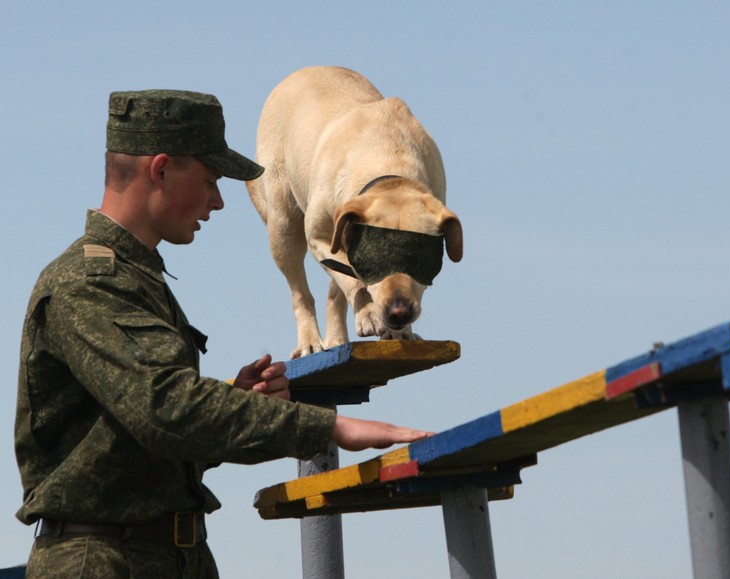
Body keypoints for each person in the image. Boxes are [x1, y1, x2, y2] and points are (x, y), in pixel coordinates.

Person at [15, 89, 432, 578]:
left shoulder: (135, 278)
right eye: (211, 180)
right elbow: (166, 409)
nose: (218, 201)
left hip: (166, 555)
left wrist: (235, 401)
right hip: (100, 561)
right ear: (161, 169)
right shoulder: (89, 283)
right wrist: (331, 429)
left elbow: (151, 437)